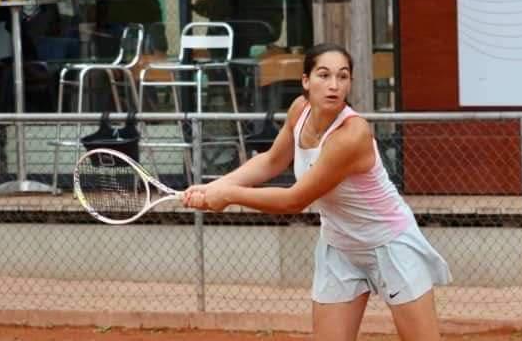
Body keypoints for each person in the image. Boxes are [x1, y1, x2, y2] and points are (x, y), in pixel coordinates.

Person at [182, 43, 452, 341]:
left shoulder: (351, 135)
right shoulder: (299, 111)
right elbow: (271, 161)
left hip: (391, 244)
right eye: (323, 75)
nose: (334, 85)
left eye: (343, 76)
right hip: (339, 247)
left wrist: (231, 196)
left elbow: (294, 199)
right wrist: (215, 186)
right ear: (306, 81)